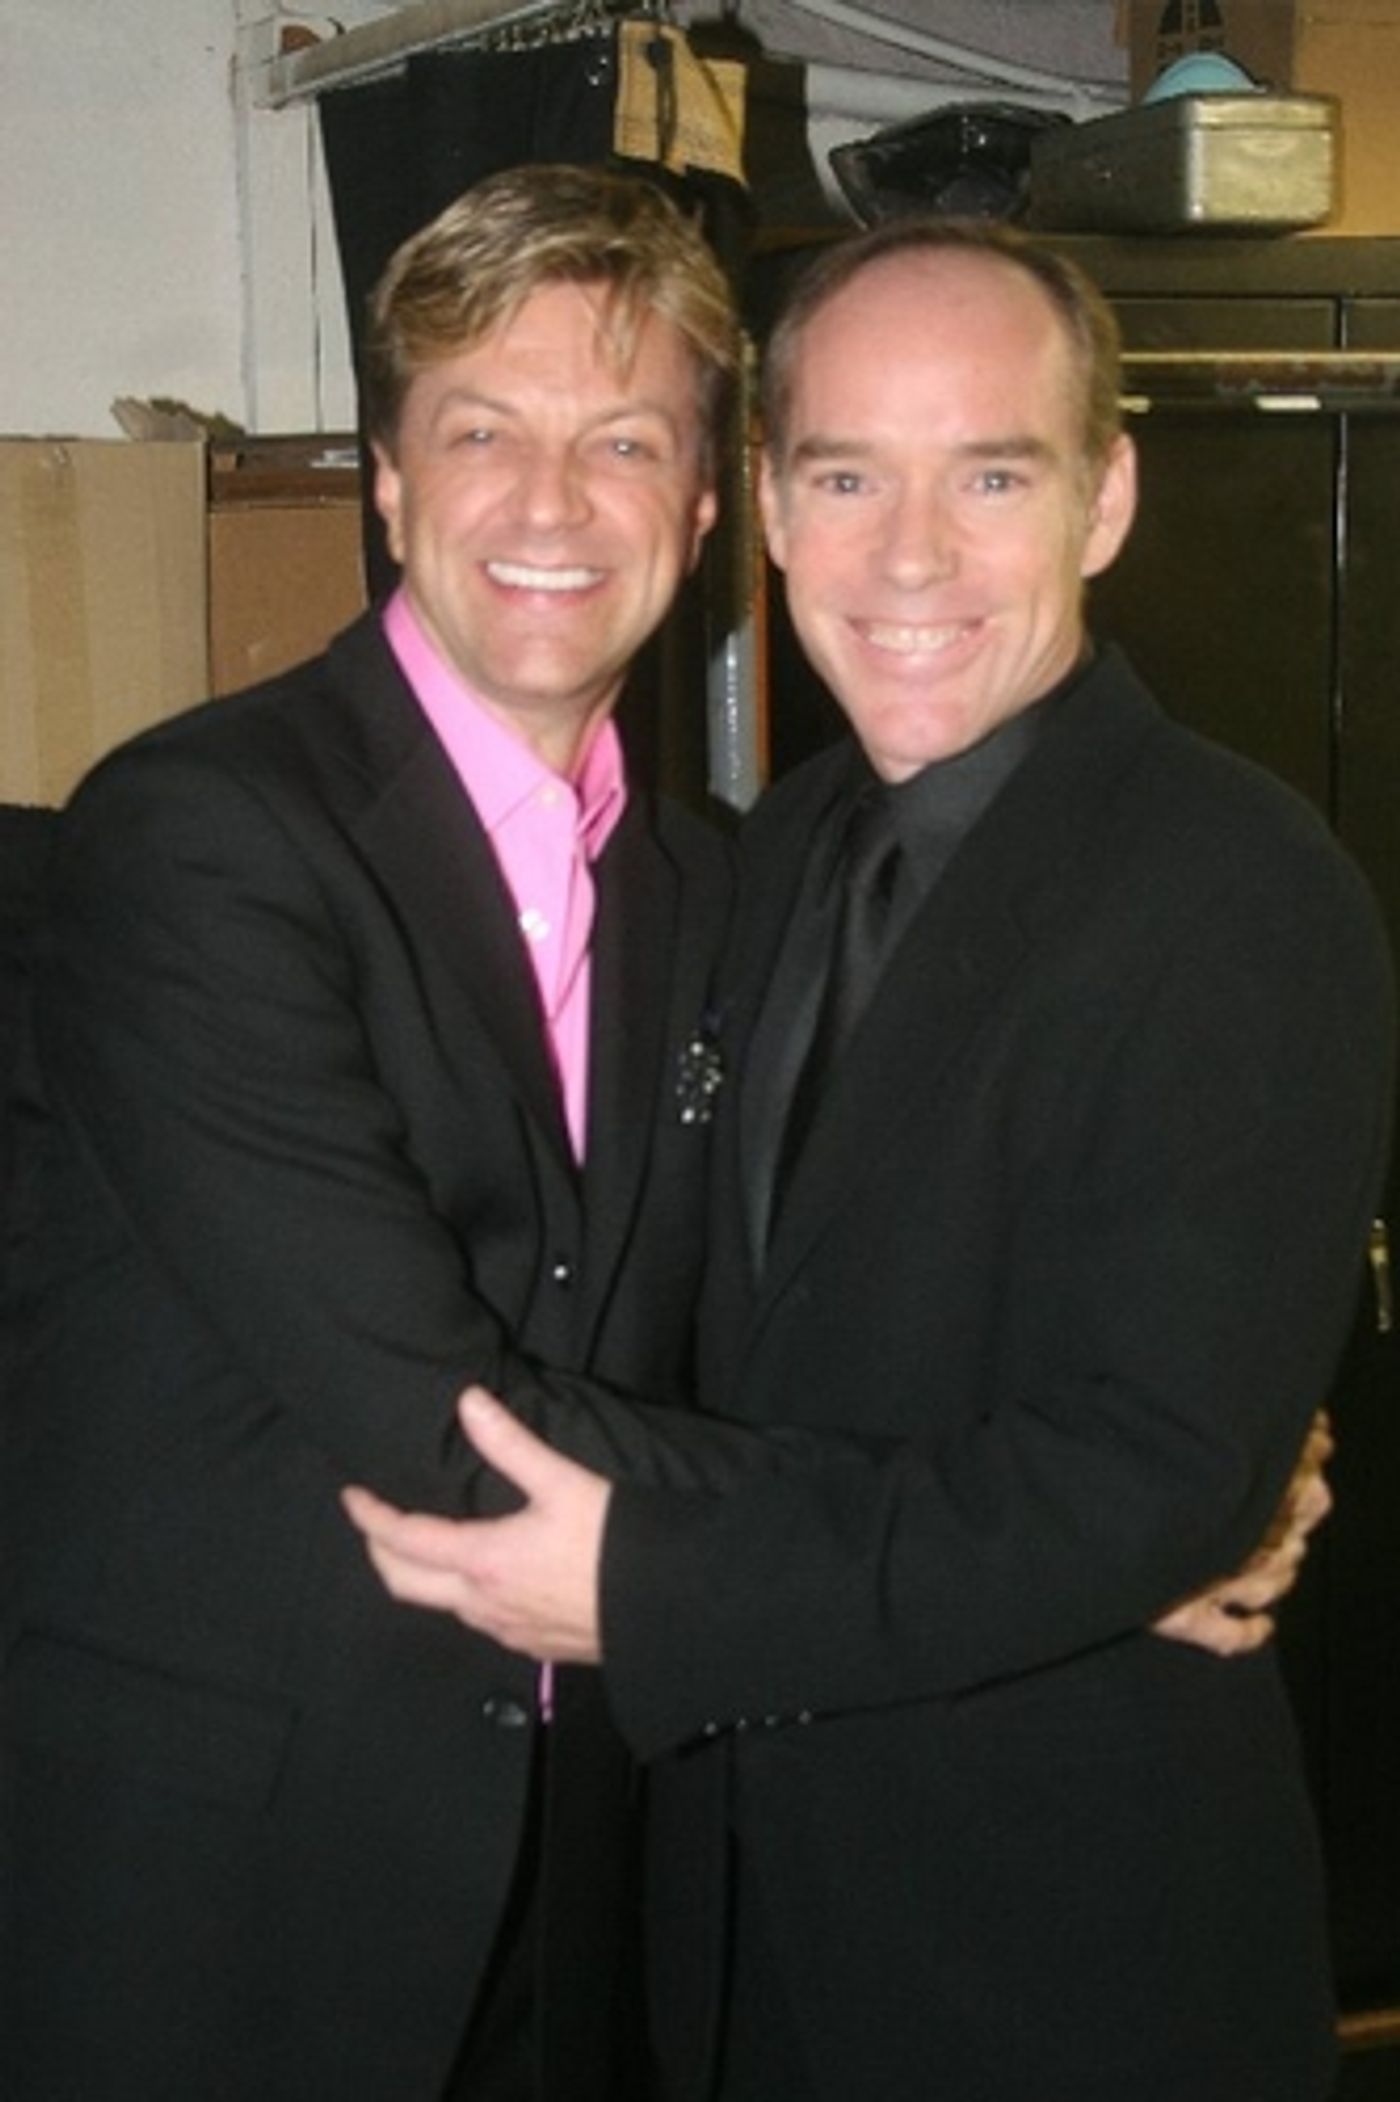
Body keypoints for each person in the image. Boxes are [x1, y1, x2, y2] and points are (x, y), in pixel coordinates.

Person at [345, 218, 1396, 2102]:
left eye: (990, 475)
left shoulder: (1236, 889)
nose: (911, 557)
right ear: (762, 506)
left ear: (1103, 500)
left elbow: (1151, 1466)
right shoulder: (762, 858)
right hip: (747, 1947)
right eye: (846, 477)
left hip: (1061, 1965)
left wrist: (668, 1589)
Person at [0, 164, 778, 2102]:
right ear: (391, 484)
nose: (550, 503)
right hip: (220, 1879)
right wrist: (1048, 1543)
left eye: (623, 441)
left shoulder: (701, 891)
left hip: (567, 1863)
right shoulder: (200, 839)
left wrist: (1129, 1435)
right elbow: (443, 1417)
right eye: (483, 431)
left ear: (702, 508)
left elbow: (774, 1318)